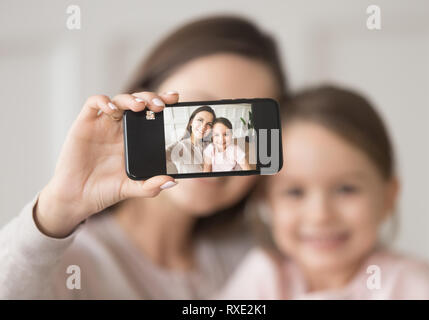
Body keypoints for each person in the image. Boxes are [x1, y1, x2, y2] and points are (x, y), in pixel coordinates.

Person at [0, 15, 286, 299]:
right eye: (199, 110)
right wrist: (59, 208)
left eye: (236, 125)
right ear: (150, 98)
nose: (213, 135)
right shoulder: (71, 264)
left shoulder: (260, 258)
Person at [217, 85, 429, 299]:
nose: (321, 214)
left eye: (346, 189)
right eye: (295, 192)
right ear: (266, 200)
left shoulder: (410, 285)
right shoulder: (264, 276)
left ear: (388, 197)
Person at [166, 106, 215, 174]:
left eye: (209, 124)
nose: (203, 127)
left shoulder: (212, 145)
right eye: (200, 120)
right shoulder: (179, 146)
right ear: (191, 122)